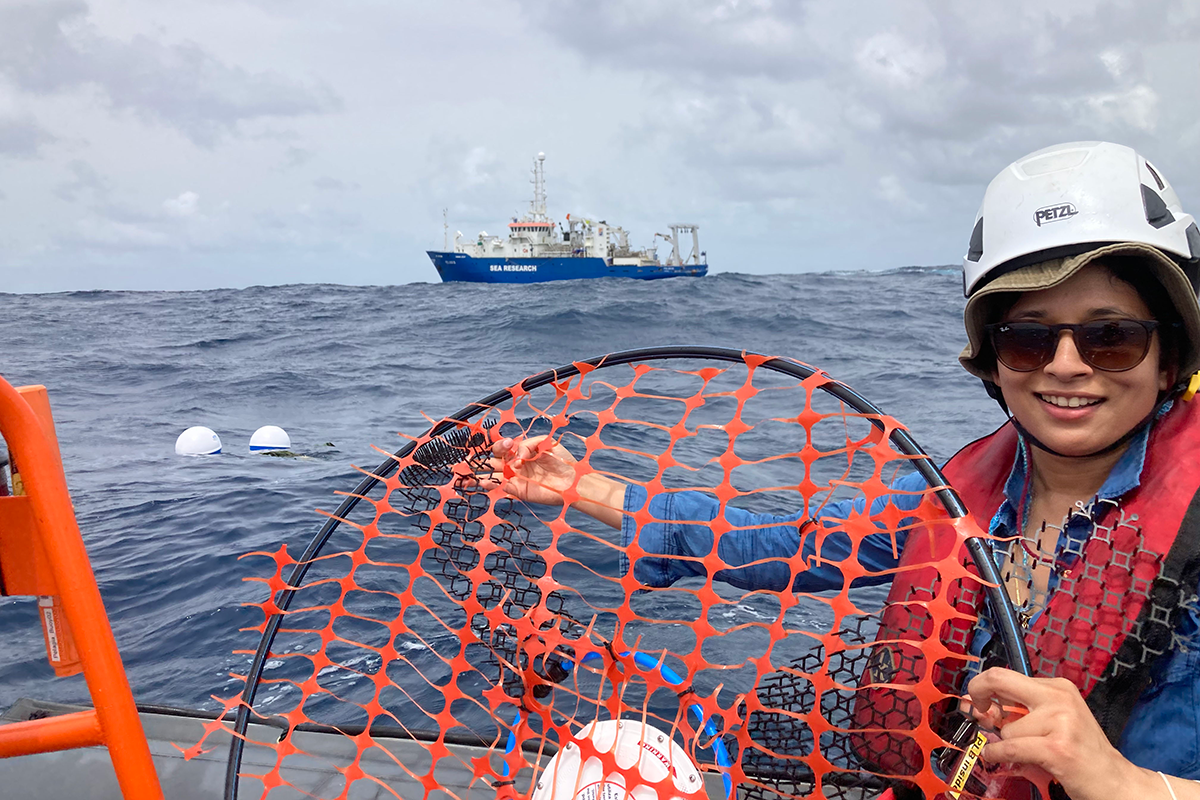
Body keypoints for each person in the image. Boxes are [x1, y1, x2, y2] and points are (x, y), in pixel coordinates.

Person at [484, 142, 1200, 800]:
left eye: (1111, 337)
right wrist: (581, 487)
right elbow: (776, 544)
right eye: (1028, 339)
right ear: (993, 360)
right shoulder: (957, 499)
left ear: (1170, 356)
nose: (1066, 365)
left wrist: (1121, 780)